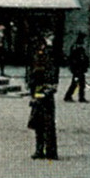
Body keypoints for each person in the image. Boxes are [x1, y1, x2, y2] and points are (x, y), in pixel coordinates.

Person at [27, 31, 59, 161]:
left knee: (47, 122)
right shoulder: (41, 52)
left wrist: (51, 87)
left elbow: (52, 72)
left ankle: (49, 151)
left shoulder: (50, 53)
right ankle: (40, 149)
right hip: (39, 89)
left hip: (45, 90)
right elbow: (34, 71)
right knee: (39, 121)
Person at [63, 33, 90, 103]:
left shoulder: (78, 48)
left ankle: (71, 96)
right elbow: (75, 59)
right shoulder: (77, 48)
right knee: (77, 83)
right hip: (78, 69)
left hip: (79, 68)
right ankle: (75, 97)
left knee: (78, 83)